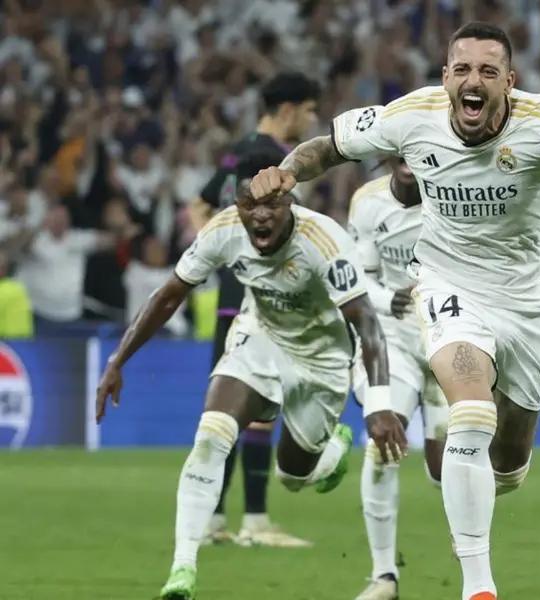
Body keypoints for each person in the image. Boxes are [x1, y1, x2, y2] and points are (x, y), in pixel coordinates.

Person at [248, 21, 540, 600]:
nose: (473, 80)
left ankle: (481, 494)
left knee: (507, 467)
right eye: (462, 69)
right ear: (446, 78)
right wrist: (287, 170)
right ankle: (478, 588)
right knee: (470, 412)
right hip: (447, 283)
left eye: (488, 71)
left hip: (533, 301)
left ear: (509, 82)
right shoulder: (413, 115)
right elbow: (328, 148)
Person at [95, 154, 407, 600]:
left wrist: (377, 406)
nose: (260, 214)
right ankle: (182, 569)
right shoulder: (223, 230)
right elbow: (168, 296)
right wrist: (116, 361)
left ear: (291, 204)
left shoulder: (323, 240)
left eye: (272, 205)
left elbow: (367, 323)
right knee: (211, 435)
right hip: (258, 340)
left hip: (321, 361)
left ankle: (331, 450)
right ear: (237, 205)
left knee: (292, 476)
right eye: (249, 204)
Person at [190, 72, 321, 548]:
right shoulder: (267, 160)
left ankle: (220, 518)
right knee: (250, 407)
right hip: (255, 296)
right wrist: (231, 251)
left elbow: (199, 204)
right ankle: (251, 520)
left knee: (233, 408)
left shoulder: (236, 150)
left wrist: (216, 250)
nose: (311, 120)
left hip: (239, 294)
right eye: (309, 110)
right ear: (288, 109)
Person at [347, 159, 449, 600]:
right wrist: (392, 300)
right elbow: (358, 278)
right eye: (402, 152)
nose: (411, 163)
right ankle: (383, 576)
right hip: (395, 337)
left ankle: (477, 575)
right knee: (381, 448)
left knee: (448, 469)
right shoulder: (368, 203)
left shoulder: (457, 197)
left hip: (452, 336)